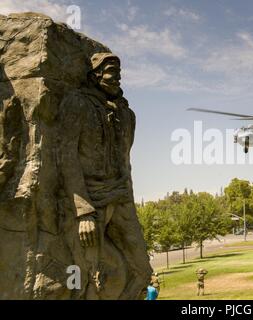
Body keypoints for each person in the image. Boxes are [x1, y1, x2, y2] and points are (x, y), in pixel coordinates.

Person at [59, 52, 152, 299]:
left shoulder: (126, 115)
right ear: (95, 75)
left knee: (142, 271)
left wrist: (128, 201)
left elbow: (125, 162)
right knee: (86, 278)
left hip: (120, 198)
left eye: (119, 73)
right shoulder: (77, 104)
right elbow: (67, 158)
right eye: (112, 72)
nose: (117, 78)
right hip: (90, 201)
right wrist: (84, 211)